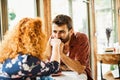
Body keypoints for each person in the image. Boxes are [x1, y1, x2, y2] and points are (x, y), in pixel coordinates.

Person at [46, 14, 93, 80]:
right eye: (54, 31)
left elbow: (79, 69)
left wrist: (60, 54)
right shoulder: (52, 39)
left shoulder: (81, 38)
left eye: (61, 32)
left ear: (71, 31)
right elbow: (47, 64)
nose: (57, 36)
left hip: (80, 76)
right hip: (60, 76)